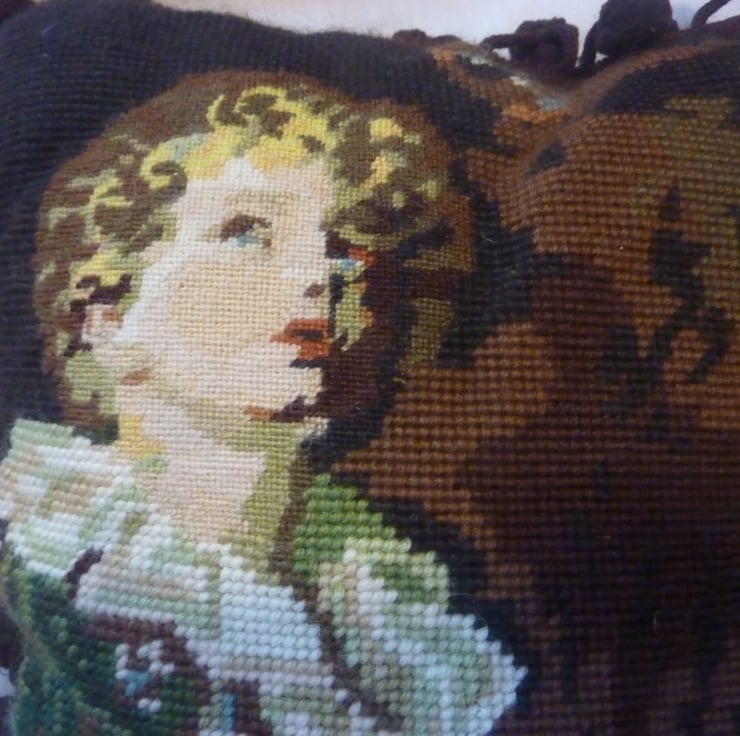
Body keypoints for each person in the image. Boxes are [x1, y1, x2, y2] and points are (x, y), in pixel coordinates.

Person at [0, 71, 524, 735]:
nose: (319, 275)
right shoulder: (65, 558)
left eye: (344, 253)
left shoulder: (389, 610)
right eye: (246, 233)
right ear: (108, 315)